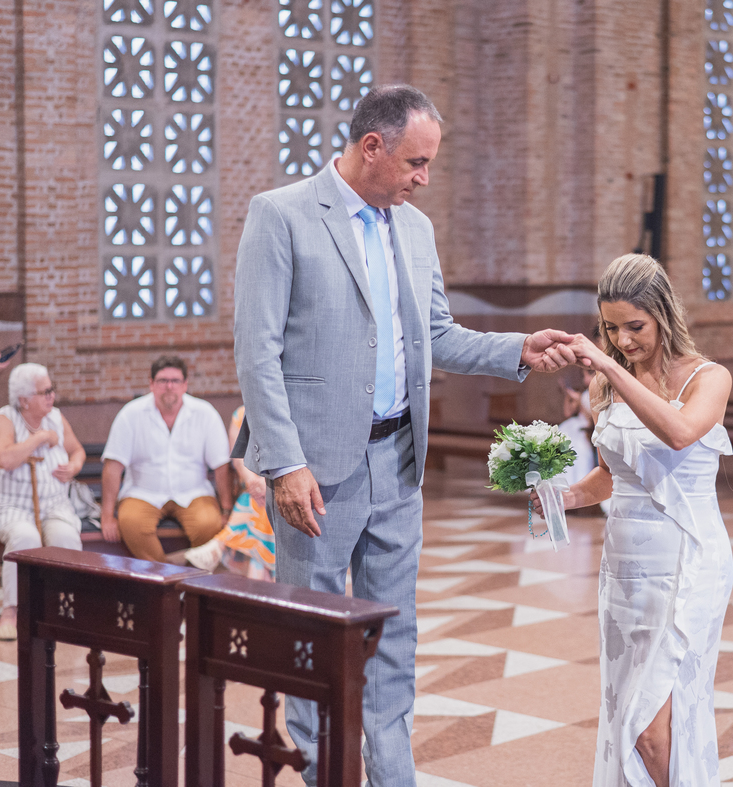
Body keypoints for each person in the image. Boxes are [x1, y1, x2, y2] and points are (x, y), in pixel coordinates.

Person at [232, 84, 574, 786]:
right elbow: (256, 353)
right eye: (416, 163)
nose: (424, 179)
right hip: (316, 470)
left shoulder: (414, 230)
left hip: (398, 460)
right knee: (315, 633)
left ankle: (394, 778)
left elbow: (437, 335)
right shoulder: (283, 215)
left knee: (393, 635)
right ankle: (323, 774)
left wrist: (518, 348)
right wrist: (286, 462)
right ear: (372, 147)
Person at [533, 254, 733, 787]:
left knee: (655, 728)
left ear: (663, 313)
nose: (622, 340)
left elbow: (678, 433)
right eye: (611, 328)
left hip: (687, 560)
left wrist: (609, 368)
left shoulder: (708, 377)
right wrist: (565, 497)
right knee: (629, 718)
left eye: (635, 326)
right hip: (624, 570)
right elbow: (613, 474)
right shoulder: (604, 388)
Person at [0, 363, 86, 641]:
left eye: (51, 390)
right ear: (24, 399)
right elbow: (5, 458)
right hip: (10, 505)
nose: (51, 396)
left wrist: (73, 467)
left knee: (66, 538)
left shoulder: (57, 417)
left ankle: (66, 608)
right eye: (44, 392)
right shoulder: (6, 418)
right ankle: (11, 611)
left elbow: (77, 451)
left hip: (53, 503)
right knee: (26, 538)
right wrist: (38, 438)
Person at [100, 355, 233, 562]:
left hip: (193, 492)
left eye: (175, 381)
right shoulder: (131, 414)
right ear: (151, 384)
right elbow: (113, 466)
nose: (169, 386)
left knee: (209, 524)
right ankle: (172, 580)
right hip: (143, 493)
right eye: (162, 381)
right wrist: (107, 515)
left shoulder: (205, 414)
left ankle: (174, 578)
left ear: (185, 385)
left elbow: (221, 465)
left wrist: (226, 509)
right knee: (131, 523)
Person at [177, 405, 276, 580]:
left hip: (284, 484)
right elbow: (238, 458)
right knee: (256, 500)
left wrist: (271, 485)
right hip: (254, 486)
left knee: (264, 502)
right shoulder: (241, 414)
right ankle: (257, 574)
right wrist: (253, 481)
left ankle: (221, 545)